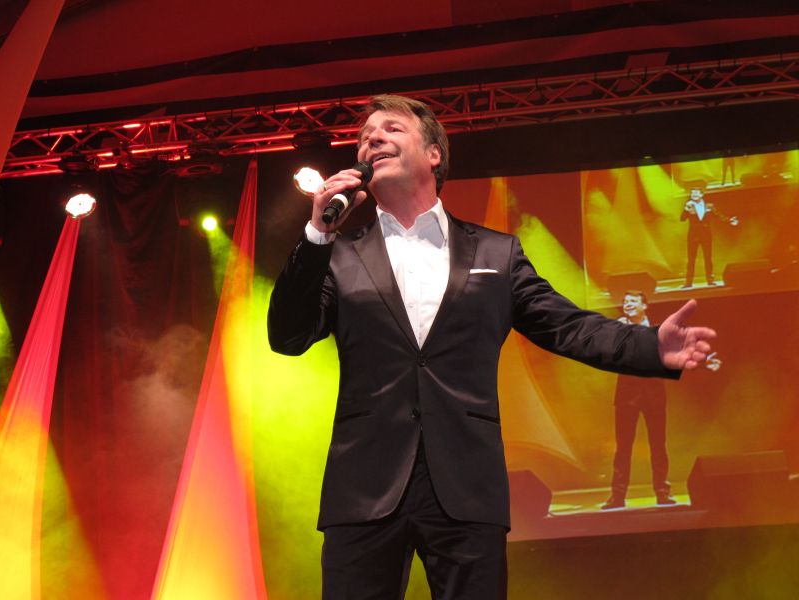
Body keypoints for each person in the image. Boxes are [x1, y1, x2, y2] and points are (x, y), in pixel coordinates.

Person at [268, 95, 717, 599]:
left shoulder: (496, 253)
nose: (372, 138)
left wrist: (650, 346)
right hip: (364, 488)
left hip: (465, 485)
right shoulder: (337, 256)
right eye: (364, 136)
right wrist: (317, 233)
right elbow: (287, 336)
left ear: (434, 154)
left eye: (391, 128)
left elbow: (567, 326)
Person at [603, 291, 723, 510]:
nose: (627, 305)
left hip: (654, 394)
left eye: (632, 301)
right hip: (627, 396)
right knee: (623, 447)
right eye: (625, 302)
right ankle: (617, 495)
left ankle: (662, 492)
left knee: (658, 445)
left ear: (644, 306)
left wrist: (706, 360)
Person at [680, 187, 738, 288]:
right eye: (692, 193)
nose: (693, 195)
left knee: (708, 258)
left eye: (696, 193)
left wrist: (729, 220)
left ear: (701, 195)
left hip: (706, 235)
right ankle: (688, 282)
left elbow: (718, 215)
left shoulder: (709, 206)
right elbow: (682, 219)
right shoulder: (689, 206)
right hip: (693, 236)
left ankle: (710, 280)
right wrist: (686, 210)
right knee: (691, 259)